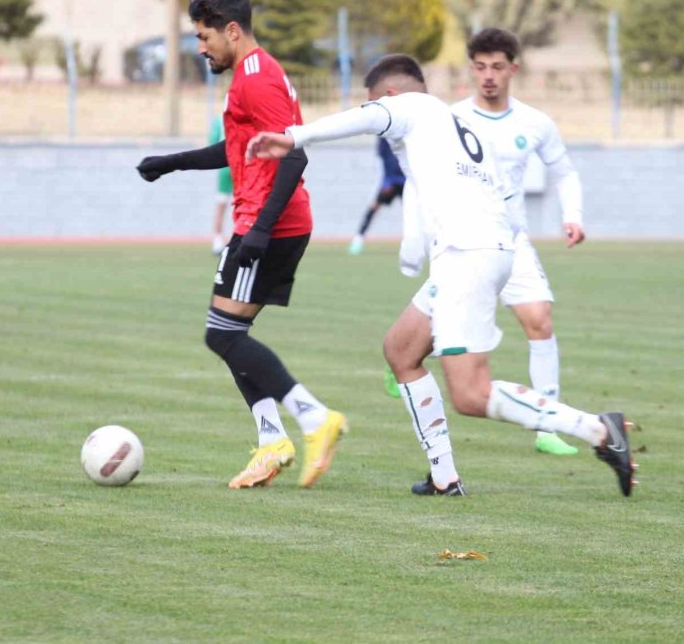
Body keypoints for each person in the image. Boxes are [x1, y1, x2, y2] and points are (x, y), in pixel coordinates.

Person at [248, 54, 636, 498]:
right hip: (478, 251)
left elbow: (371, 117)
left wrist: (292, 137)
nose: (377, 121)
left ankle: (599, 431)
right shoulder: (451, 127)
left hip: (469, 255)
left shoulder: (412, 106)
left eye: (375, 106)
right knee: (401, 349)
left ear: (389, 95)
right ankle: (443, 476)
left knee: (471, 393)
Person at [136, 0, 347, 489]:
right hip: (266, 222)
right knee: (230, 335)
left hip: (268, 224)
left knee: (221, 334)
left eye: (204, 37)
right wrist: (172, 163)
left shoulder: (258, 80)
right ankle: (273, 441)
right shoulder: (252, 74)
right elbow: (241, 151)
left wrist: (260, 232)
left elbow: (295, 155)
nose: (200, 47)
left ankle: (314, 419)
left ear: (232, 30)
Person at [451, 27, 584, 457]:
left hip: (512, 241)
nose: (488, 75)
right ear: (471, 69)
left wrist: (573, 216)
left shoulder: (534, 122)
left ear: (513, 69)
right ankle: (399, 362)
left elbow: (564, 171)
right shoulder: (452, 119)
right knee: (445, 331)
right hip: (464, 243)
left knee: (539, 320)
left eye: (497, 67)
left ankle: (548, 427)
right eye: (480, 66)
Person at [348, 137, 406, 255]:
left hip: (407, 182)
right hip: (391, 181)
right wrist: (386, 182)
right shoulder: (384, 139)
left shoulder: (405, 136)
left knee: (415, 212)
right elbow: (385, 160)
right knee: (374, 207)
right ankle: (359, 238)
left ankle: (421, 241)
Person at [209, 114, 233, 255]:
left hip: (224, 165)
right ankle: (240, 238)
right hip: (241, 164)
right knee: (243, 203)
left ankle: (217, 241)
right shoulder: (246, 116)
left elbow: (212, 142)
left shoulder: (219, 120)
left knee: (221, 204)